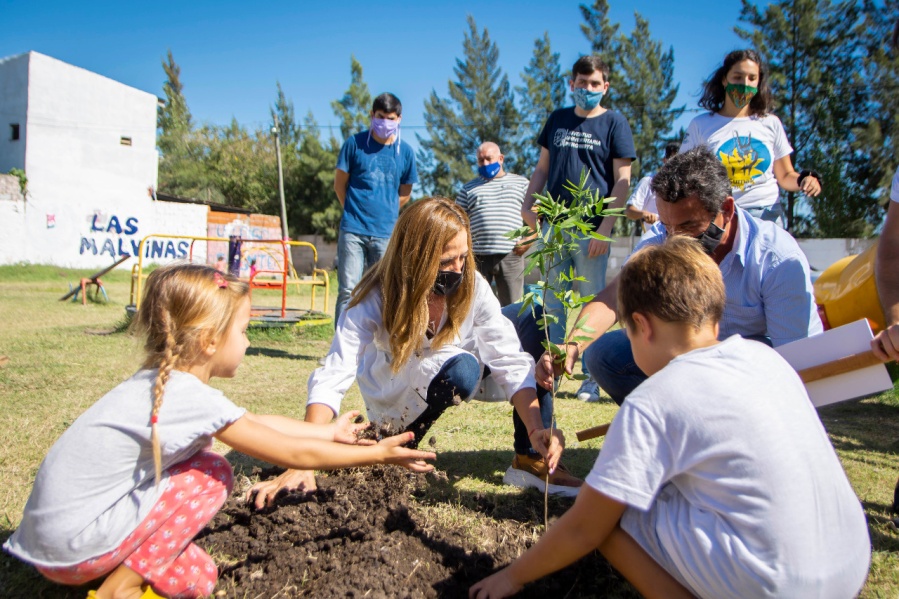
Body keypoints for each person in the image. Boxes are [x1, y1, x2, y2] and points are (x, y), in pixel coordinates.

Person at [470, 237, 871, 599]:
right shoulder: (768, 360)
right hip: (850, 566)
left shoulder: (654, 401)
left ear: (641, 326)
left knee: (609, 515)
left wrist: (512, 577)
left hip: (771, 586)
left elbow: (584, 529)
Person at [3, 264, 435, 599]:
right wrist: (378, 455)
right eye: (244, 332)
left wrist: (328, 433)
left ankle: (128, 571)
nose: (247, 343)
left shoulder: (159, 382)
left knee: (201, 574)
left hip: (47, 547)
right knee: (210, 473)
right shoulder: (189, 396)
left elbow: (258, 425)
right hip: (74, 550)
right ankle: (121, 588)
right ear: (209, 341)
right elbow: (293, 455)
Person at [249, 198, 581, 508]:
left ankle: (530, 456)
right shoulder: (376, 296)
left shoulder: (472, 284)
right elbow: (336, 369)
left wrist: (538, 427)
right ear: (415, 257)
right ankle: (401, 440)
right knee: (460, 368)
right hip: (405, 388)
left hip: (466, 364)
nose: (458, 268)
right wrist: (303, 457)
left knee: (534, 316)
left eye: (463, 257)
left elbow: (507, 356)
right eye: (446, 261)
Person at [538, 147, 823, 406]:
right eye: (667, 225)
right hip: (691, 357)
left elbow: (794, 361)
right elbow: (615, 295)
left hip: (751, 368)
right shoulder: (662, 236)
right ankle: (676, 422)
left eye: (688, 225)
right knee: (606, 355)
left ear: (725, 209)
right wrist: (572, 345)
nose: (675, 238)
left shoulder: (776, 258)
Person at [522, 54, 636, 403]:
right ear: (571, 83)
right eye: (581, 83)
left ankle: (591, 378)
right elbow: (542, 169)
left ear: (605, 86)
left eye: (594, 84)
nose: (586, 89)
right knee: (552, 303)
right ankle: (552, 373)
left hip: (591, 232)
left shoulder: (615, 123)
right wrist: (528, 204)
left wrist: (605, 227)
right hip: (553, 228)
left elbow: (622, 181)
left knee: (591, 303)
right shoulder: (558, 119)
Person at [680, 49, 822, 224]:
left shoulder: (771, 123)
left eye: (751, 78)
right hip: (720, 216)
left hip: (767, 215)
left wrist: (804, 179)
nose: (744, 84)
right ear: (724, 79)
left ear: (758, 82)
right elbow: (684, 175)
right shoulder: (700, 124)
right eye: (737, 77)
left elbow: (785, 176)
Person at [334, 92, 418, 326]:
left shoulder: (406, 153)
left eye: (391, 118)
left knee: (383, 292)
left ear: (399, 119)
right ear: (371, 115)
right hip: (352, 230)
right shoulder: (354, 144)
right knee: (348, 290)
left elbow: (405, 193)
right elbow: (339, 185)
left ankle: (374, 348)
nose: (385, 122)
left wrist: (386, 211)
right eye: (380, 117)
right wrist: (355, 210)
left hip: (385, 233)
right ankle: (340, 351)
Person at [456, 141, 531, 306]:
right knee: (473, 306)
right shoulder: (468, 189)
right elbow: (457, 222)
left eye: (489, 159)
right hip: (477, 257)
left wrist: (530, 239)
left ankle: (513, 333)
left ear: (501, 158)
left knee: (513, 307)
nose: (485, 164)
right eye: (481, 160)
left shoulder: (521, 184)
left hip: (511, 255)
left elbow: (538, 214)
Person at [624, 141, 680, 236]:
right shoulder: (649, 182)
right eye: (673, 160)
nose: (676, 165)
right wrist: (644, 214)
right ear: (665, 160)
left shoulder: (685, 187)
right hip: (651, 245)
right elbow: (629, 211)